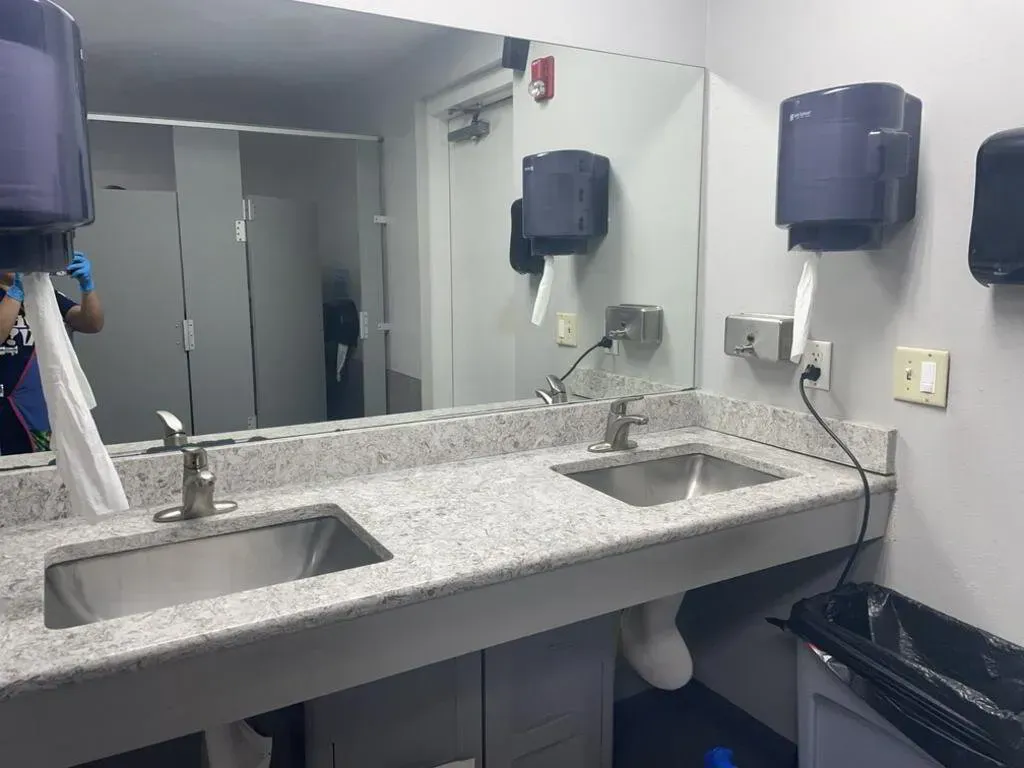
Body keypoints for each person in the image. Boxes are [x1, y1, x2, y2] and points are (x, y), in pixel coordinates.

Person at [0, 252, 104, 455]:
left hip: (43, 406)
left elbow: (92, 323)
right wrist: (15, 293)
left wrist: (87, 287)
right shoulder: (16, 293)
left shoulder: (43, 295)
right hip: (6, 410)